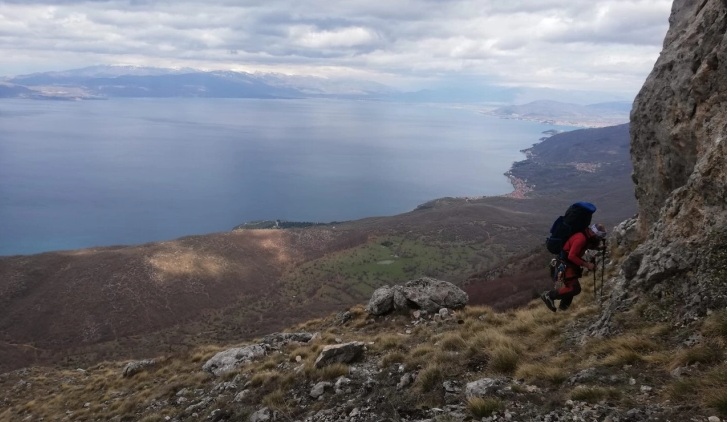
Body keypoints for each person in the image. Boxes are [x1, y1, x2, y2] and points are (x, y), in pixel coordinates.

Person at [541, 223, 607, 312]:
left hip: (567, 264)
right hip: (565, 265)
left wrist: (598, 248)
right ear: (594, 233)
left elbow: (585, 246)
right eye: (598, 237)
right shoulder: (581, 238)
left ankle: (563, 310)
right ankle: (549, 295)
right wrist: (587, 265)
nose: (598, 239)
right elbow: (571, 256)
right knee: (574, 288)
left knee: (571, 288)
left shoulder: (586, 236)